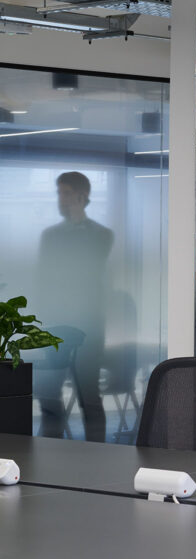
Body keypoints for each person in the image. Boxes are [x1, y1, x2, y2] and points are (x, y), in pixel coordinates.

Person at [33, 171, 113, 442]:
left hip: (88, 328)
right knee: (48, 395)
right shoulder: (50, 235)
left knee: (89, 396)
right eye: (59, 193)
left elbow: (90, 269)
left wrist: (78, 219)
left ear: (82, 196)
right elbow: (44, 278)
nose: (61, 199)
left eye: (66, 193)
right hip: (55, 327)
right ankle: (50, 453)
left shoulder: (102, 235)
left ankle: (98, 455)